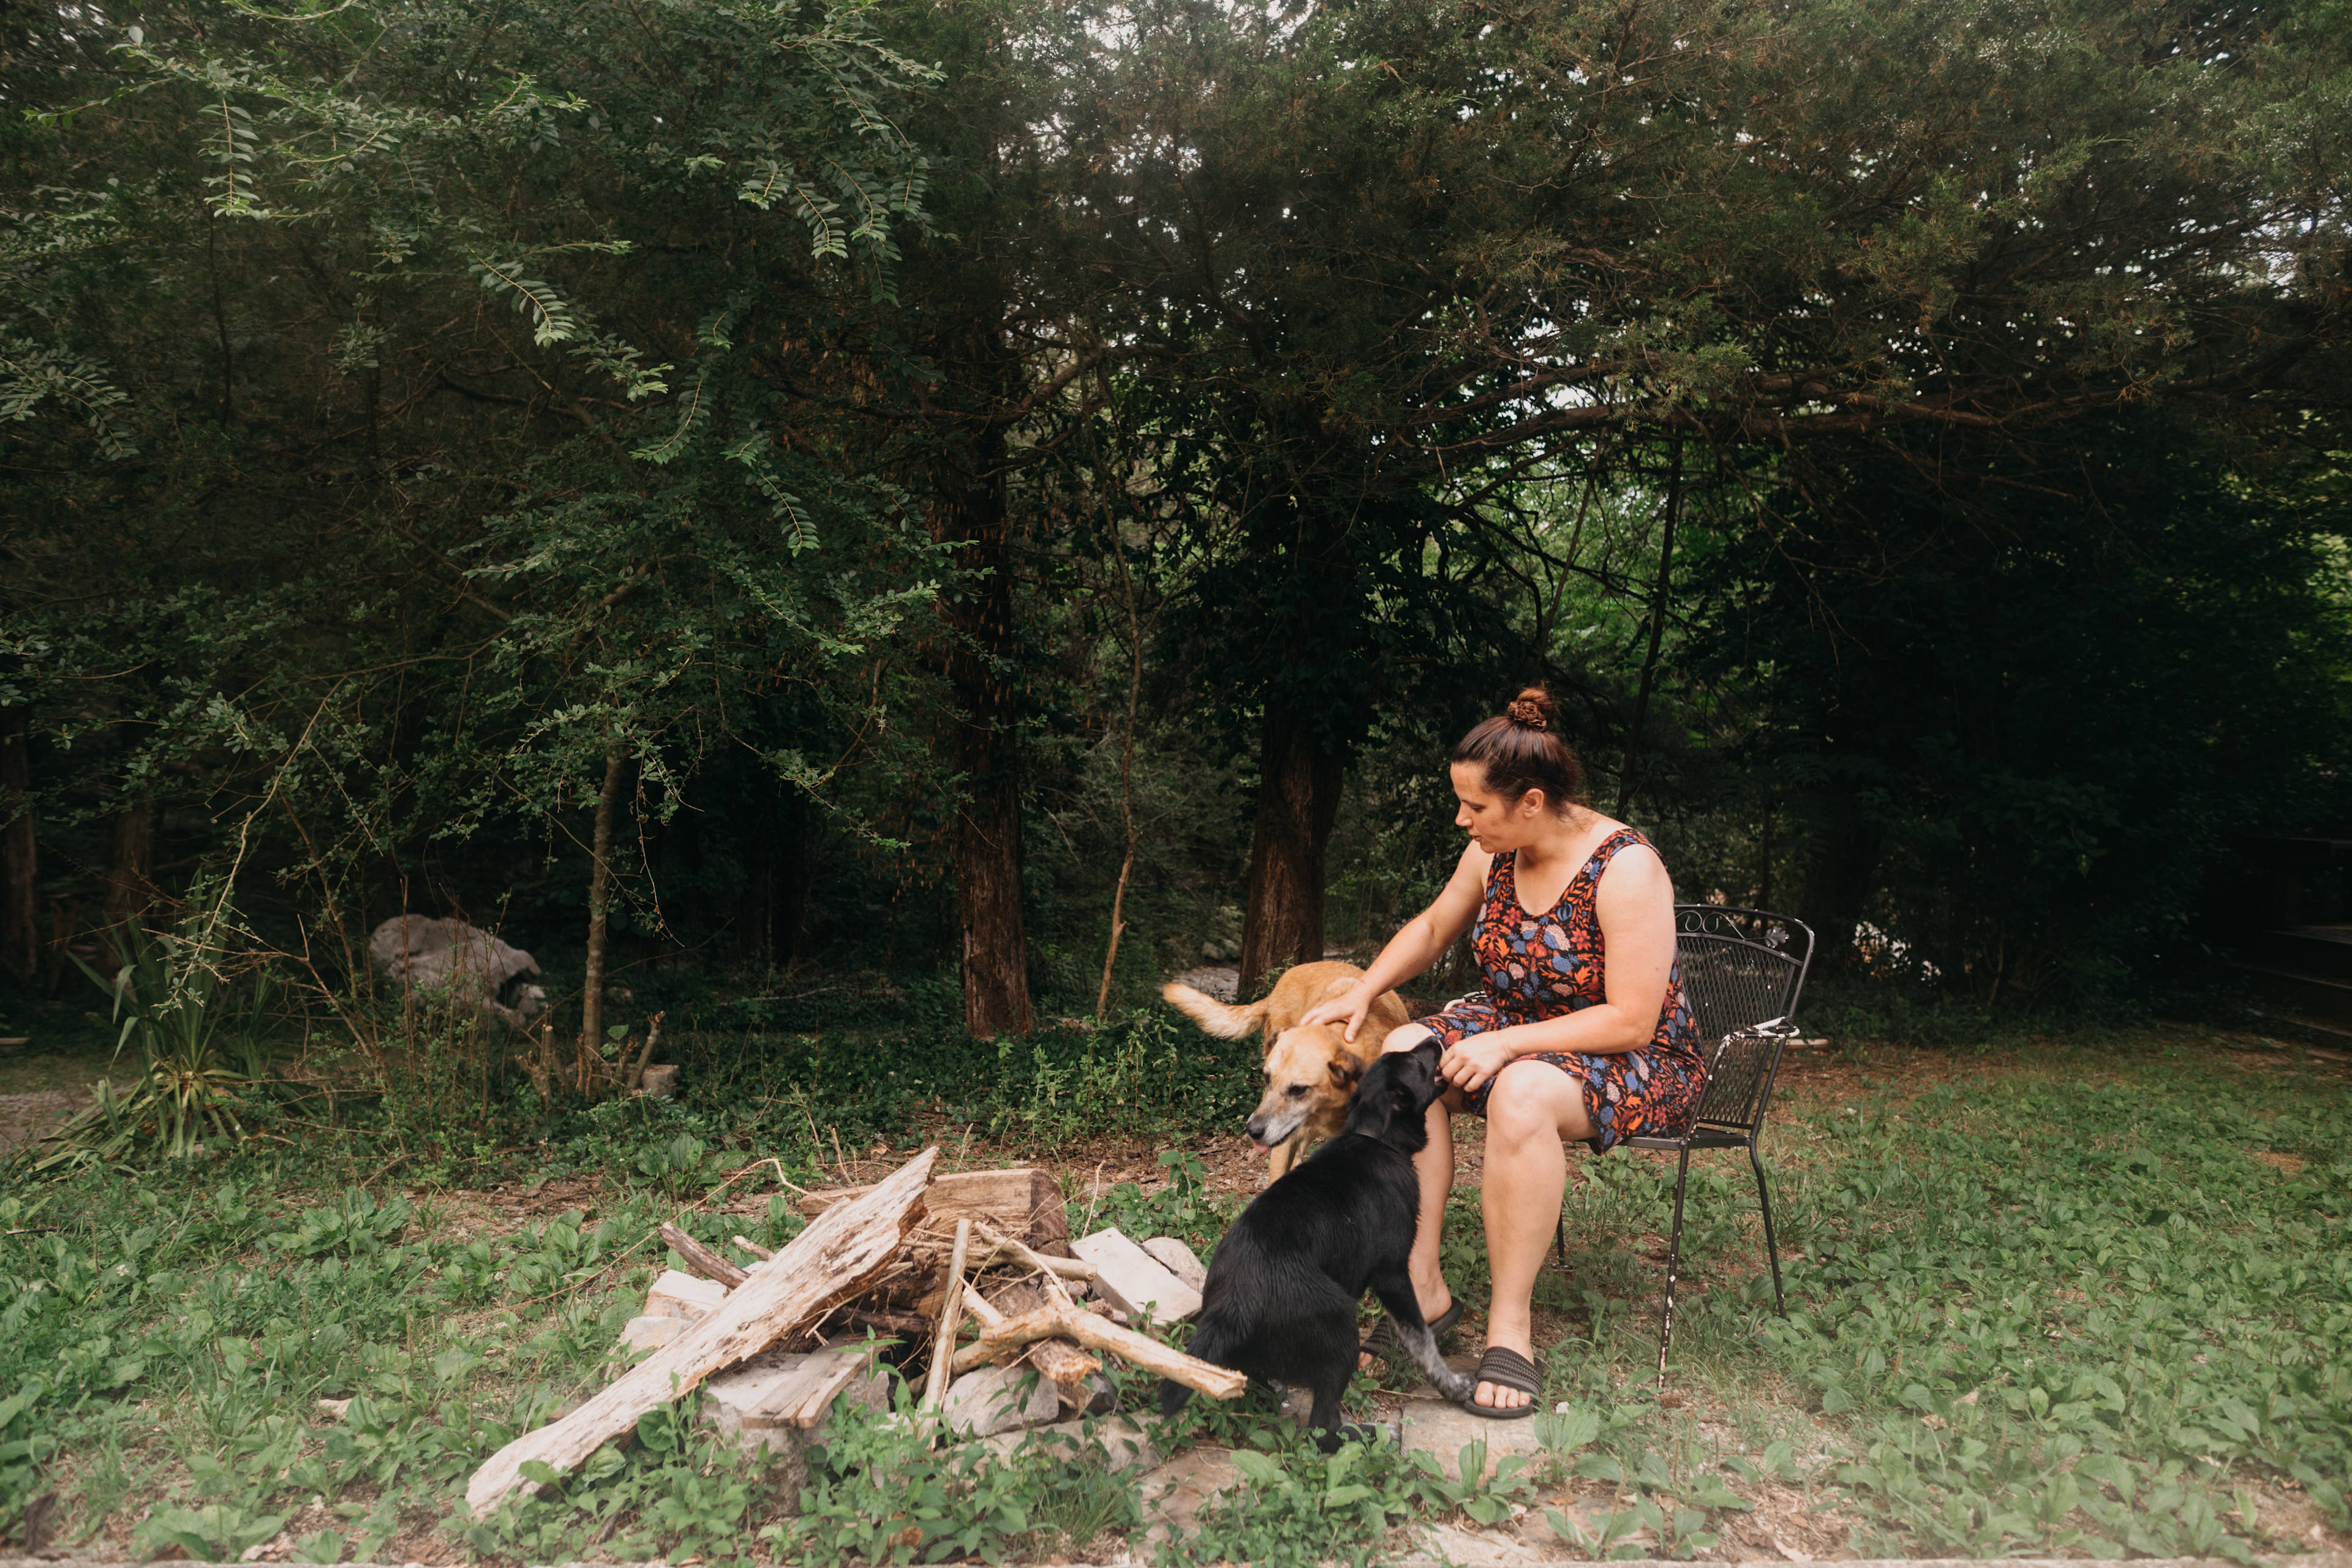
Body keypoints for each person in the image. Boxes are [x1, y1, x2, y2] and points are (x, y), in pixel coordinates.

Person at [1301, 687, 1705, 1414]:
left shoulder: (1625, 867)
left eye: (1475, 807)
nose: (1463, 820)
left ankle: (1510, 1331)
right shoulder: (1493, 851)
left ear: (1530, 802)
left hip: (1633, 1055)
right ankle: (1420, 1292)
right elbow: (1432, 929)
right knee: (1402, 1054)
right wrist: (1366, 989)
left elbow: (1633, 1020)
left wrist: (1505, 1044)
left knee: (1520, 1092)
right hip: (1515, 1025)